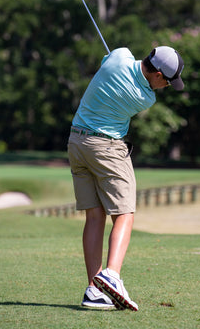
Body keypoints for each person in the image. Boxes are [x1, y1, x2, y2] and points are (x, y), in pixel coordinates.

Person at [67, 46, 185, 311]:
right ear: (156, 74)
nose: (166, 86)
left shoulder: (120, 55)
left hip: (76, 141)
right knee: (124, 213)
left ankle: (94, 291)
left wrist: (113, 62)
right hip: (107, 148)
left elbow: (107, 60)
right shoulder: (145, 98)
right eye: (167, 80)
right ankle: (112, 274)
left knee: (94, 216)